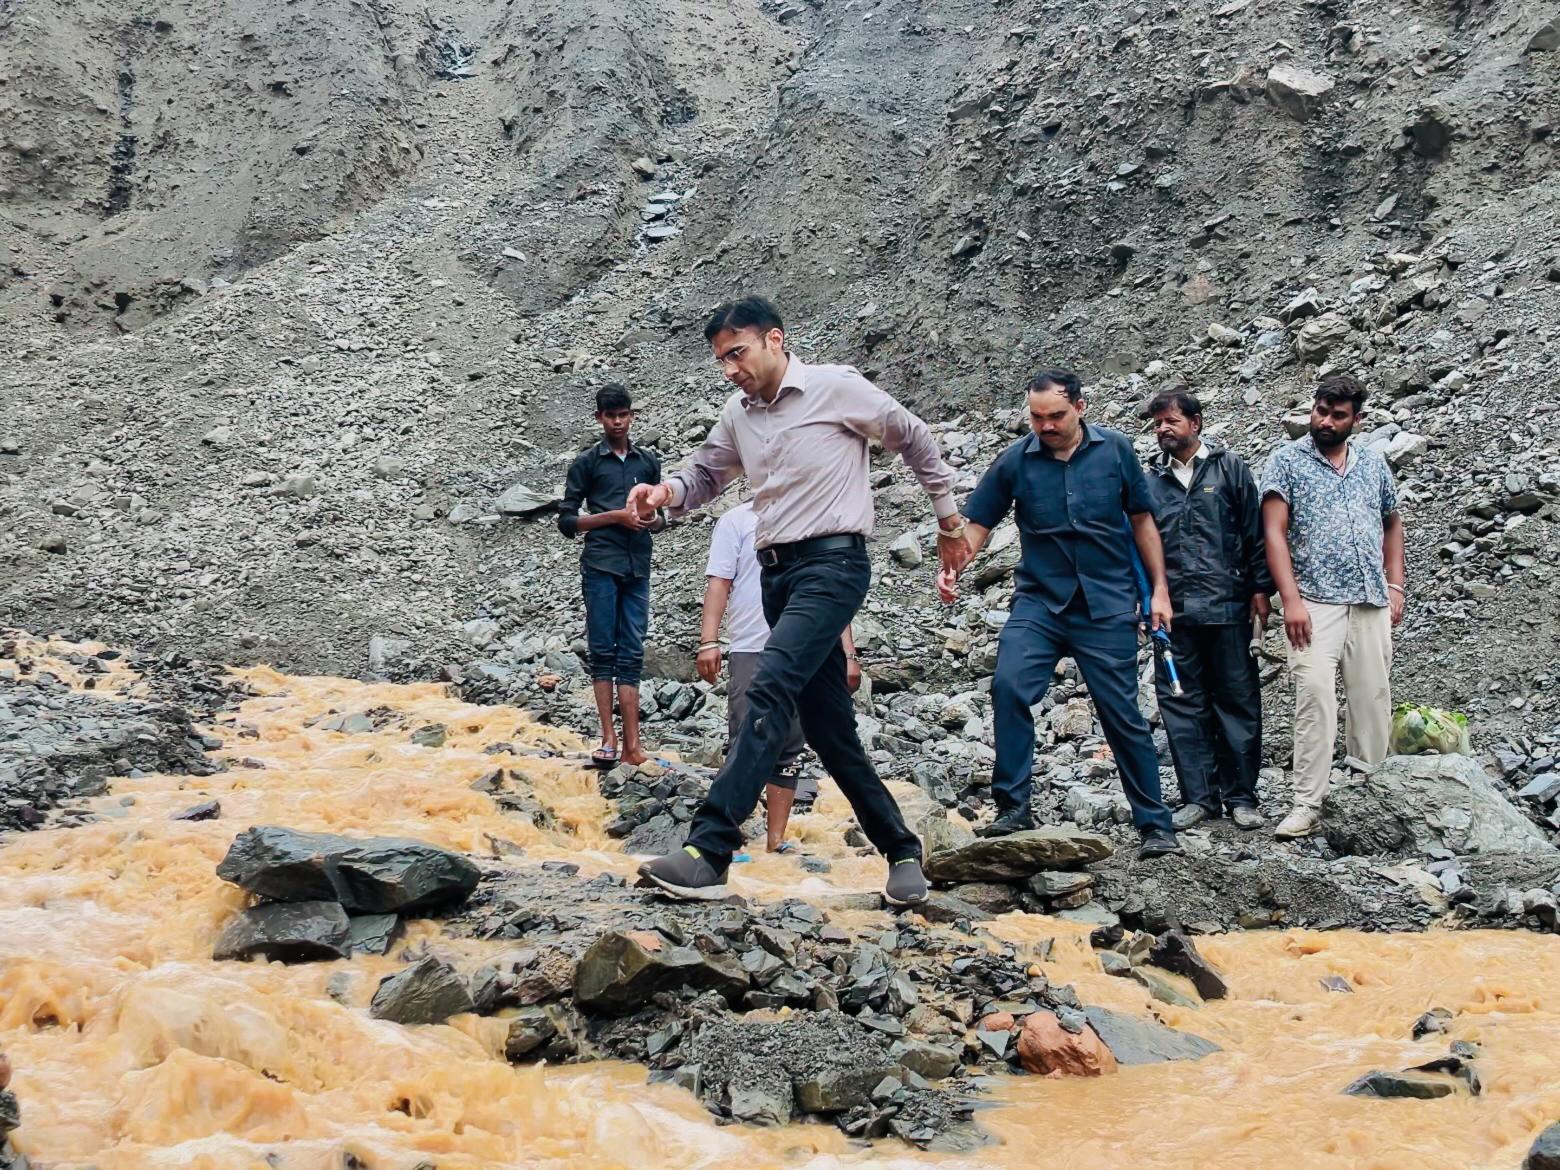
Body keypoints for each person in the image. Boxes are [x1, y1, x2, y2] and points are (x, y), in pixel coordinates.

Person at [627, 296, 970, 906]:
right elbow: (706, 475)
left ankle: (710, 850)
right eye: (721, 360)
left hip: (834, 566)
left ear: (775, 340)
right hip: (777, 577)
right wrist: (664, 493)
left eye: (738, 353)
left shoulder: (835, 388)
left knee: (770, 688)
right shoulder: (738, 414)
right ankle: (901, 850)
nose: (730, 369)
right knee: (830, 730)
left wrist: (947, 519)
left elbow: (913, 436)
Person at [939, 369, 1182, 859]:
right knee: (1008, 686)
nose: (1045, 426)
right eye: (1036, 417)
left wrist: (1159, 591)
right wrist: (953, 568)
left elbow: (1142, 521)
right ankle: (1013, 808)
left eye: (1055, 416)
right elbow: (978, 524)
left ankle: (1155, 826)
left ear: (1080, 408)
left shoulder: (1115, 451)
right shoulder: (1016, 460)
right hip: (1040, 602)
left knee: (1122, 714)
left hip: (1107, 604)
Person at [1259, 373, 1406, 839]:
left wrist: (1396, 586)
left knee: (1372, 698)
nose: (1324, 421)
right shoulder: (1286, 461)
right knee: (1315, 698)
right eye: (1320, 411)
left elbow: (1391, 522)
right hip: (1314, 601)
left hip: (1369, 598)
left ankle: (1371, 791)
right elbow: (1273, 533)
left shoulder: (1372, 464)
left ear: (1356, 421)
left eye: (1337, 415)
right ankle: (1307, 802)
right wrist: (1291, 600)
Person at [699, 499, 864, 852]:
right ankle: (725, 837)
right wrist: (709, 641)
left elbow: (832, 596)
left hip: (807, 647)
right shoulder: (735, 521)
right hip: (751, 644)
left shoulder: (812, 516)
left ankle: (776, 841)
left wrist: (848, 654)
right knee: (745, 737)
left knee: (790, 744)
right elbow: (719, 583)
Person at [1142, 389, 1272, 831]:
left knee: (1237, 700)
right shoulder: (1149, 481)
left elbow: (1253, 532)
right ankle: (1198, 798)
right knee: (1182, 703)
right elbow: (1138, 546)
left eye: (1171, 420)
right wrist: (1145, 600)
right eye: (1158, 423)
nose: (1163, 429)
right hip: (1173, 613)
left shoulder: (1229, 468)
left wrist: (1260, 589)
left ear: (1195, 423)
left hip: (1228, 606)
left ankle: (1241, 796)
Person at [556, 384, 664, 768]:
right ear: (599, 417)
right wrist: (614, 517)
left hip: (637, 565)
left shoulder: (647, 463)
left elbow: (660, 517)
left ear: (632, 416)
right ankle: (608, 737)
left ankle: (633, 745)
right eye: (611, 416)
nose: (618, 422)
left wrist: (652, 519)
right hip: (601, 564)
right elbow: (567, 521)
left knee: (632, 651)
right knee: (603, 650)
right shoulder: (587, 463)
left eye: (623, 415)